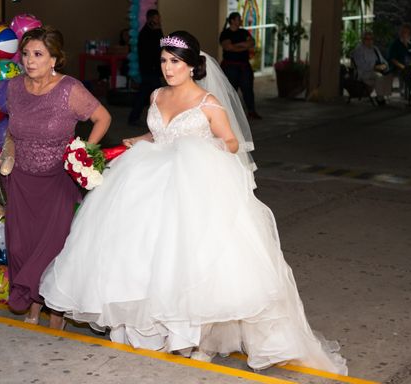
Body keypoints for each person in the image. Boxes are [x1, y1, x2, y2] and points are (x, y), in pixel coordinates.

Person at [39, 31, 347, 375]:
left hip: (192, 184)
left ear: (192, 66)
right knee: (143, 253)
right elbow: (158, 134)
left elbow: (232, 142)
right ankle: (155, 327)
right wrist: (136, 140)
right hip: (148, 179)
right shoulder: (157, 95)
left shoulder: (208, 103)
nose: (168, 69)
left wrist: (200, 151)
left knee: (193, 260)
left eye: (176, 62)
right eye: (164, 62)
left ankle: (200, 338)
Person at [0, 26, 111, 328]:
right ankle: (35, 304)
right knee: (23, 247)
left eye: (38, 54)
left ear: (54, 60)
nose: (29, 61)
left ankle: (53, 311)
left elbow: (103, 118)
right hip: (21, 180)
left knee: (51, 249)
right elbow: (13, 129)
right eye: (25, 54)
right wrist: (7, 159)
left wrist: (84, 152)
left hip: (57, 181)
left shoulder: (69, 89)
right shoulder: (14, 88)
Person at [219, 12, 261, 119]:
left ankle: (251, 111)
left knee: (248, 89)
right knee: (231, 90)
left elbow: (251, 43)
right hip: (230, 67)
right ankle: (230, 114)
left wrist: (236, 46)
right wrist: (243, 46)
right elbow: (228, 47)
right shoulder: (225, 33)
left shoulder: (243, 32)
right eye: (238, 19)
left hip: (244, 66)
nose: (240, 21)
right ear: (232, 21)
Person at [128, 9, 163, 126]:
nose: (159, 20)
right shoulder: (148, 33)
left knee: (145, 94)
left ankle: (134, 117)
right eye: (157, 17)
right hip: (150, 69)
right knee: (157, 94)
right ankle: (135, 117)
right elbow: (157, 48)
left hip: (149, 68)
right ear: (151, 18)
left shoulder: (150, 31)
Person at [350, 31, 393, 106]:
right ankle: (380, 98)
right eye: (367, 39)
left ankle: (383, 94)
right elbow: (361, 66)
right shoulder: (359, 50)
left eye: (371, 39)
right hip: (364, 72)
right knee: (378, 76)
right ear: (363, 40)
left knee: (389, 75)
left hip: (376, 70)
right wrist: (374, 67)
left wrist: (385, 65)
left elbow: (383, 60)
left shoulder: (375, 49)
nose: (369, 41)